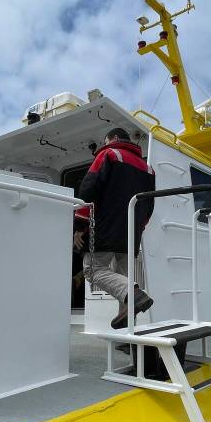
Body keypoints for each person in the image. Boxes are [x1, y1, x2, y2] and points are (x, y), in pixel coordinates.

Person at [79, 128, 156, 329]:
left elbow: (88, 191)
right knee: (124, 275)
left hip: (105, 227)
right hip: (132, 231)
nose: (104, 145)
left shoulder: (110, 153)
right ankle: (128, 328)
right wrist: (139, 227)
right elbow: (149, 206)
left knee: (93, 270)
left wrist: (79, 225)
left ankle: (134, 294)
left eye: (105, 141)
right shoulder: (148, 169)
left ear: (113, 139)